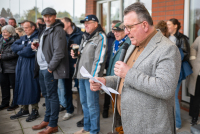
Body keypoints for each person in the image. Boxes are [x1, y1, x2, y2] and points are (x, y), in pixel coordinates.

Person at [90, 2, 181, 134]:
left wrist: (128, 73)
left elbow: (165, 88)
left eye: (129, 27)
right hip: (127, 123)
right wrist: (105, 81)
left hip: (150, 127)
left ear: (144, 25)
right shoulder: (133, 44)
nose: (126, 32)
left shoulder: (168, 48)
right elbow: (124, 78)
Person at [31, 7, 69, 134]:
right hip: (42, 68)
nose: (47, 18)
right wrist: (36, 47)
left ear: (55, 16)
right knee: (46, 95)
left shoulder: (58, 30)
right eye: (45, 16)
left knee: (52, 96)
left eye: (50, 16)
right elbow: (46, 48)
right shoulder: (45, 29)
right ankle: (46, 120)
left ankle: (53, 124)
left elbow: (59, 52)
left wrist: (50, 68)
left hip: (49, 69)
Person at [71, 14, 107, 134]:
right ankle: (86, 128)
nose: (85, 25)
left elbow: (99, 59)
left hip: (91, 77)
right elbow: (83, 54)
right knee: (85, 103)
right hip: (81, 76)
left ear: (96, 24)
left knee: (92, 105)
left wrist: (94, 78)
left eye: (88, 23)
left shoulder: (101, 37)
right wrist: (76, 54)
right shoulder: (85, 37)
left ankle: (94, 130)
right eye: (84, 23)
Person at [10, 21, 40, 122]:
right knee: (21, 85)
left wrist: (22, 50)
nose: (25, 30)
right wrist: (24, 47)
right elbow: (13, 47)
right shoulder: (23, 37)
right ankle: (24, 109)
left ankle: (35, 110)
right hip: (21, 65)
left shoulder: (36, 37)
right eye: (23, 28)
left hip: (31, 65)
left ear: (33, 28)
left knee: (31, 86)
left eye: (26, 28)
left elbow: (29, 52)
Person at [167, 18, 193, 130]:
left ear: (175, 26)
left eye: (169, 24)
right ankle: (171, 120)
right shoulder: (167, 37)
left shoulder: (182, 38)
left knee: (173, 97)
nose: (167, 26)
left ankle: (177, 123)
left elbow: (186, 54)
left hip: (176, 71)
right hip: (167, 71)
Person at [58, 17, 83, 120]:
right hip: (65, 66)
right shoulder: (60, 35)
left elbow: (84, 50)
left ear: (68, 23)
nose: (59, 24)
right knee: (67, 89)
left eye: (62, 22)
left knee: (80, 88)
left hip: (77, 66)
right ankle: (69, 110)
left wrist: (78, 61)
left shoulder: (80, 35)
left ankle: (84, 111)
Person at [0, 25, 19, 111]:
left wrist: (2, 56)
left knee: (14, 86)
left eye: (5, 32)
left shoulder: (15, 40)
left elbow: (15, 53)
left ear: (11, 32)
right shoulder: (1, 40)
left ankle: (15, 103)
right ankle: (5, 103)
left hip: (12, 67)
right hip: (2, 67)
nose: (3, 33)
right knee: (4, 86)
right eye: (2, 32)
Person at [187, 36, 200, 125]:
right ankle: (194, 117)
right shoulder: (199, 39)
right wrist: (194, 60)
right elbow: (193, 48)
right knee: (195, 96)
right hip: (198, 74)